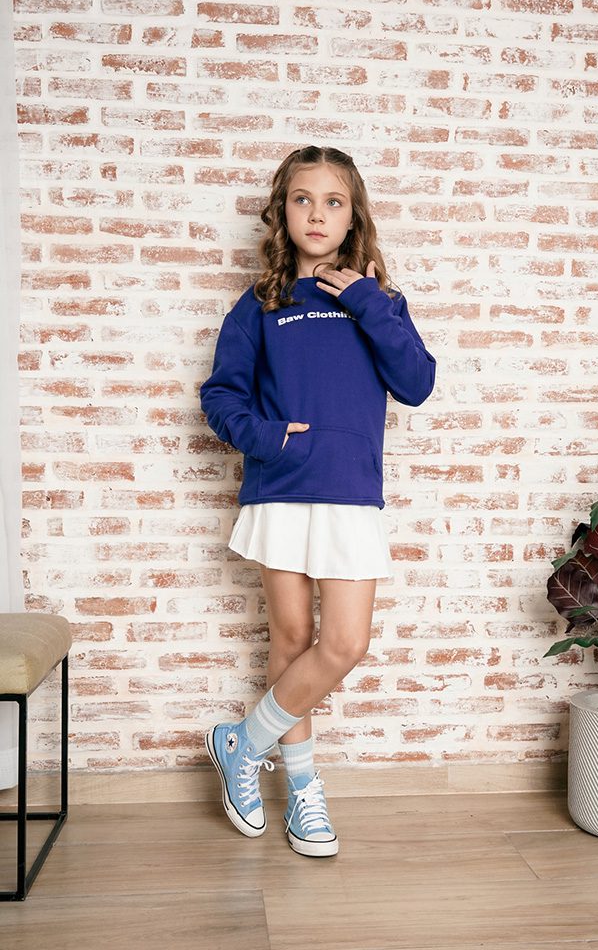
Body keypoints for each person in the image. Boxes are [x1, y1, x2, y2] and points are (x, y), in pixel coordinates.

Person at [199, 145, 437, 857]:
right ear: (283, 210)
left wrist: (364, 300)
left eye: (334, 201)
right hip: (279, 488)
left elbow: (417, 384)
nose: (317, 214)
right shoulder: (260, 305)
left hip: (351, 493)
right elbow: (221, 396)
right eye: (302, 199)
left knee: (344, 644)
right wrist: (269, 437)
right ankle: (302, 788)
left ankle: (242, 742)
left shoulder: (377, 301)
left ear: (353, 215)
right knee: (293, 639)